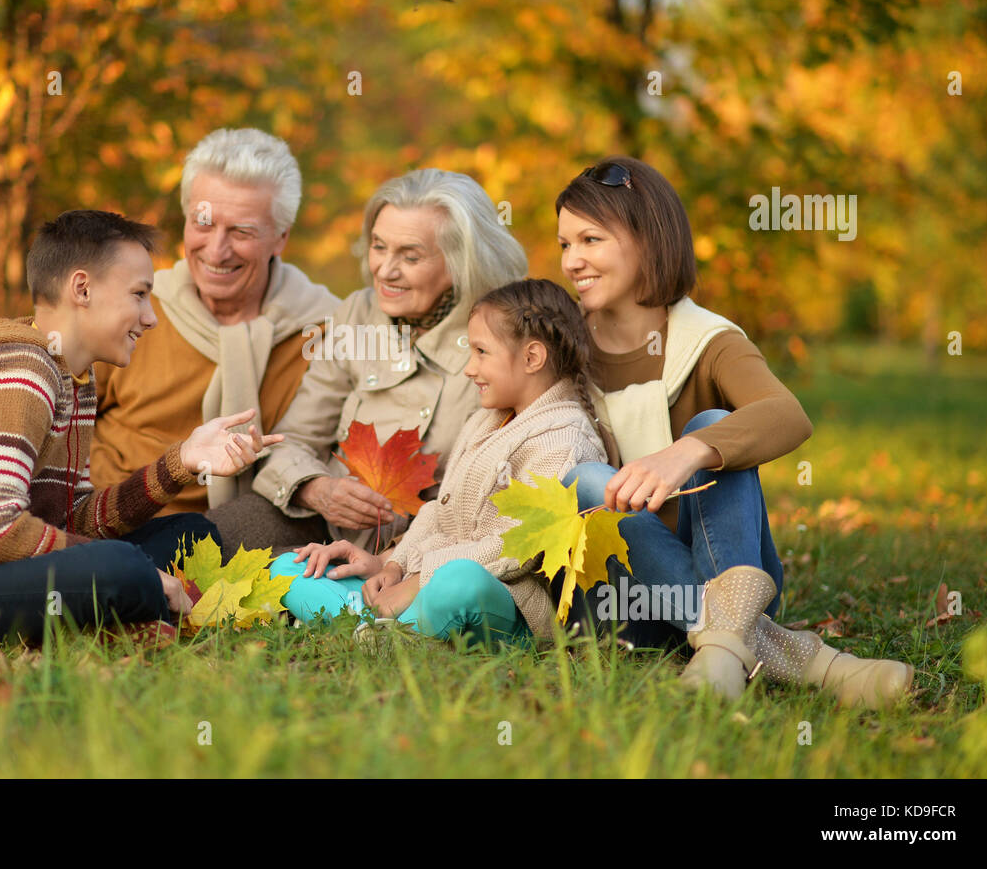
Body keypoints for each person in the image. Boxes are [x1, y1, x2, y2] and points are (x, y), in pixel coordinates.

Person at [558, 156, 914, 708]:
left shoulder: (707, 339)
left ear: (648, 240)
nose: (573, 260)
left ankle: (721, 645)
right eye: (564, 245)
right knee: (583, 479)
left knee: (715, 424)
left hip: (725, 562)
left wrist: (689, 451)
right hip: (623, 602)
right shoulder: (566, 348)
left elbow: (787, 414)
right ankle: (792, 657)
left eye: (590, 239)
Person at [0, 209, 280, 643]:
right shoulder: (19, 369)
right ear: (83, 288)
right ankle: (129, 608)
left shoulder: (72, 376)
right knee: (124, 567)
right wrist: (135, 569)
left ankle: (126, 608)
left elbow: (74, 520)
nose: (151, 317)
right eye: (139, 295)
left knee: (191, 534)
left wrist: (181, 461)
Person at [267, 279, 608, 648]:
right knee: (290, 568)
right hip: (424, 580)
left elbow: (518, 548)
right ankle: (379, 627)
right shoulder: (486, 420)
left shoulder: (565, 439)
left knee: (461, 582)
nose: (468, 368)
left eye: (481, 352)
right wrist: (393, 565)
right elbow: (438, 514)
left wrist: (419, 580)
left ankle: (378, 630)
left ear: (532, 358)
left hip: (505, 602)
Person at [206, 168, 528, 558]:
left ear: (463, 261)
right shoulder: (357, 314)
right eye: (378, 247)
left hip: (434, 545)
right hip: (323, 523)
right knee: (191, 542)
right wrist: (315, 489)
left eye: (411, 256)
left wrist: (397, 558)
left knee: (298, 585)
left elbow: (509, 485)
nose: (385, 270)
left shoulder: (509, 334)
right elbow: (293, 440)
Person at [89, 128, 339, 517]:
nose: (217, 252)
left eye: (242, 231)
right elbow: (52, 417)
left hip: (258, 534)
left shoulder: (325, 331)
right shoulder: (130, 308)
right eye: (203, 224)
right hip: (120, 529)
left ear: (281, 238)